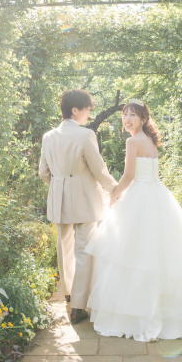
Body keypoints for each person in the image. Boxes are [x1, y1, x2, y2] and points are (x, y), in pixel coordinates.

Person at [85, 99, 182, 341]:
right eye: (125, 114)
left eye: (133, 115)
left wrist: (113, 196)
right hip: (157, 194)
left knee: (134, 254)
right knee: (159, 253)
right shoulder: (149, 140)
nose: (127, 119)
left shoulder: (132, 141)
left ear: (143, 119)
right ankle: (165, 314)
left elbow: (128, 176)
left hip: (140, 195)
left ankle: (136, 316)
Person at [39, 89, 118, 324]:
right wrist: (115, 189)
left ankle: (68, 294)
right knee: (84, 250)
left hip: (59, 198)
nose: (88, 113)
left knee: (64, 249)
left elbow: (43, 172)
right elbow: (99, 169)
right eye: (87, 109)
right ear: (75, 110)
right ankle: (79, 307)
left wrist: (59, 185)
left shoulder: (48, 136)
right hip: (84, 199)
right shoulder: (85, 135)